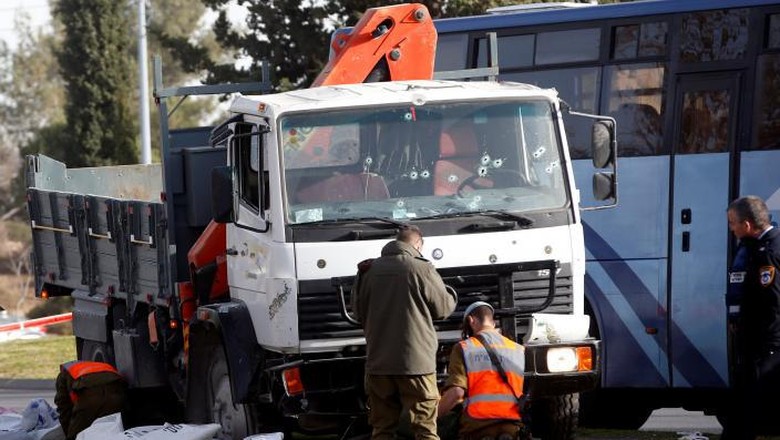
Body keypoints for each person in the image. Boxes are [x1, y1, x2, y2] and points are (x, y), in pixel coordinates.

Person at [352, 225, 458, 440]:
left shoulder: (367, 271)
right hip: (416, 364)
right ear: (417, 244)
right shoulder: (422, 268)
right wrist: (451, 295)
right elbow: (443, 309)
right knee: (425, 430)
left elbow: (357, 311)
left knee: (382, 430)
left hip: (378, 364)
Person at [722, 195, 780, 439]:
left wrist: (767, 342)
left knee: (749, 404)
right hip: (758, 343)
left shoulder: (767, 252)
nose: (731, 228)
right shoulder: (756, 246)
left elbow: (773, 302)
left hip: (765, 343)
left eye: (733, 223)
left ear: (747, 225)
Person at [438, 301, 528, 440]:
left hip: (476, 427)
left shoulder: (464, 348)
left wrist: (432, 417)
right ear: (493, 323)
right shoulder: (519, 350)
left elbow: (456, 392)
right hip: (512, 426)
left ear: (470, 320)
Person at [54, 360, 127, 440]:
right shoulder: (99, 365)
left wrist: (69, 431)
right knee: (113, 433)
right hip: (116, 394)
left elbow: (63, 407)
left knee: (76, 436)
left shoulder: (64, 374)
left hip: (89, 394)